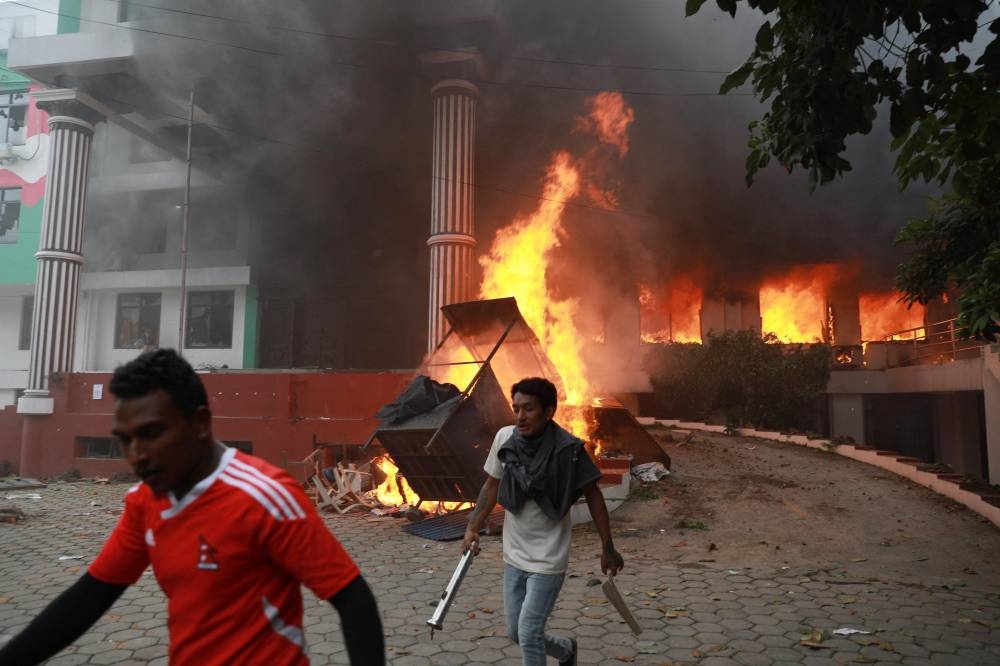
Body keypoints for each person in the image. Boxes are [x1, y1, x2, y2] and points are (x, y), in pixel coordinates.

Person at [0, 349, 384, 665]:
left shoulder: (265, 495)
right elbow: (92, 596)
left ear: (200, 422)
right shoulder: (144, 502)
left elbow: (352, 597)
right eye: (125, 439)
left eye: (152, 434)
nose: (137, 456)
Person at [462, 376, 624, 666]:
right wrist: (472, 527)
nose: (521, 417)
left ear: (549, 411)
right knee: (516, 632)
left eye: (529, 409)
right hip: (514, 556)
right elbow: (491, 486)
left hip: (548, 560)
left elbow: (594, 495)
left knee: (528, 632)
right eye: (516, 408)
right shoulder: (505, 439)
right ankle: (565, 650)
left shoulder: (569, 451)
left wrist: (607, 546)